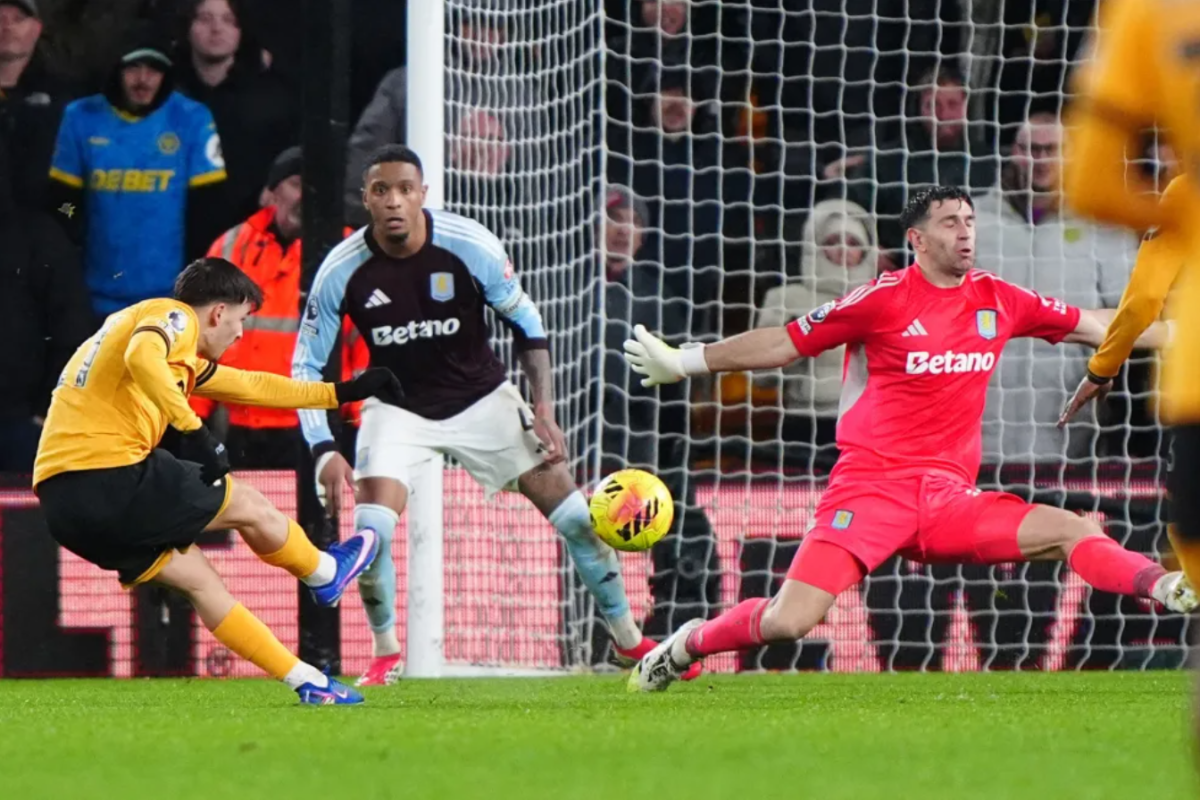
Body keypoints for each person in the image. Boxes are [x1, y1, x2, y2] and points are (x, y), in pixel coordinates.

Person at [620, 186, 1196, 692]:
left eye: (969, 221)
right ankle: (686, 645)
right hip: (870, 491)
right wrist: (687, 361)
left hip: (949, 500)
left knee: (1073, 529)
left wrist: (1181, 332)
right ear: (917, 239)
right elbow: (784, 342)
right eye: (950, 223)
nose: (965, 233)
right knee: (787, 622)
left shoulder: (999, 299)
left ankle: (1166, 585)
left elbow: (1099, 324)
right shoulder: (880, 299)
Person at [294, 145, 694, 686]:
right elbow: (306, 363)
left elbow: (527, 324)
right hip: (397, 408)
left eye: (405, 189)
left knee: (578, 519)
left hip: (483, 400)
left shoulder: (469, 244)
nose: (394, 201)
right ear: (366, 199)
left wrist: (544, 408)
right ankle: (386, 653)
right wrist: (323, 448)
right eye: (381, 190)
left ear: (422, 194)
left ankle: (627, 642)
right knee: (373, 532)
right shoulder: (342, 269)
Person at [33, 257, 402, 704]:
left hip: (63, 506)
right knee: (247, 503)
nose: (241, 333)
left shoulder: (165, 349)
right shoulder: (173, 316)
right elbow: (141, 356)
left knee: (200, 582)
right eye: (241, 319)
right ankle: (325, 572)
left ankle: (309, 681)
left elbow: (252, 386)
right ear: (217, 312)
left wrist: (340, 393)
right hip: (105, 473)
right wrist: (194, 430)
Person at [974, 111, 1138, 465]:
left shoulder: (1103, 223)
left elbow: (1127, 311)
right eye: (1031, 149)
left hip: (1071, 428)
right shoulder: (973, 221)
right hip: (983, 429)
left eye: (1052, 149)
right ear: (1014, 152)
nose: (1041, 159)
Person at [194, 147, 367, 468]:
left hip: (316, 429)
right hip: (240, 428)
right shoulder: (231, 247)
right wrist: (192, 419)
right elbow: (201, 338)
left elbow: (365, 345)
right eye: (297, 184)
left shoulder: (348, 254)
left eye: (315, 187)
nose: (306, 197)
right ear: (272, 192)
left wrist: (362, 425)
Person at [46, 32, 227, 319]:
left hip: (170, 296)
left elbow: (207, 211)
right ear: (117, 71)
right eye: (133, 68)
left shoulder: (191, 118)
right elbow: (63, 203)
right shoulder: (81, 116)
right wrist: (74, 233)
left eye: (153, 70)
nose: (143, 79)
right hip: (94, 294)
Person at [173, 0, 297, 227]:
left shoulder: (271, 95)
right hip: (177, 225)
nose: (216, 28)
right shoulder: (168, 93)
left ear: (241, 30)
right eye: (205, 19)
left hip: (250, 225)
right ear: (187, 27)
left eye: (228, 20)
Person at [0, 0, 74, 213]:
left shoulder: (65, 104)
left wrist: (67, 220)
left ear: (36, 29)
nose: (7, 26)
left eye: (18, 19)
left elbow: (72, 195)